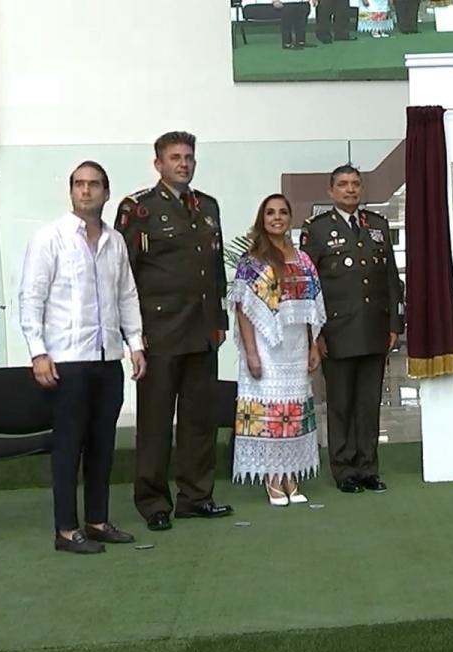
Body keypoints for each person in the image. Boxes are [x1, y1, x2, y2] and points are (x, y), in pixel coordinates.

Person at [18, 161, 147, 554]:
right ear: (71, 191)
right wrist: (38, 352)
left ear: (107, 192)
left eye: (94, 185)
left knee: (103, 445)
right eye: (79, 184)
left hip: (107, 359)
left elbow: (127, 295)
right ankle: (65, 529)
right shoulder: (50, 238)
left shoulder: (116, 242)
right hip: (66, 360)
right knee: (69, 445)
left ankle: (96, 520)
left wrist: (136, 343)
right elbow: (31, 297)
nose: (86, 191)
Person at [116, 131, 233, 531]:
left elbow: (215, 270)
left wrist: (219, 320)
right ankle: (153, 503)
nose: (183, 163)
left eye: (188, 157)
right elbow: (124, 276)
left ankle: (196, 496)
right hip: (159, 332)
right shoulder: (138, 209)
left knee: (199, 420)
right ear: (158, 164)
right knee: (156, 421)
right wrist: (133, 336)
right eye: (175, 157)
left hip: (202, 331)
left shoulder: (208, 207)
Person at [300, 165, 404, 494]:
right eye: (343, 185)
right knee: (342, 404)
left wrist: (393, 325)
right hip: (337, 332)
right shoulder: (316, 230)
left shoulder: (377, 225)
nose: (350, 190)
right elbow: (308, 286)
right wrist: (315, 335)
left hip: (374, 329)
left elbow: (390, 278)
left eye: (355, 184)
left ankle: (368, 467)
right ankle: (344, 469)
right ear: (331, 191)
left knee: (368, 404)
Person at [230, 195, 326, 506]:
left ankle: (291, 474)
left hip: (296, 346)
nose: (277, 218)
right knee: (271, 411)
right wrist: (252, 354)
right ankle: (273, 476)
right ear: (262, 218)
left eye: (283, 212)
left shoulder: (303, 259)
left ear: (290, 218)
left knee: (293, 411)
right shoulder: (251, 261)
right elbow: (243, 309)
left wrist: (313, 345)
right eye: (270, 213)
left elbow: (313, 308)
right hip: (264, 346)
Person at [246, 0, 318, 49]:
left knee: (302, 22)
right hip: (286, 2)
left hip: (303, 2)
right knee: (287, 23)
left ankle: (301, 41)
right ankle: (287, 43)